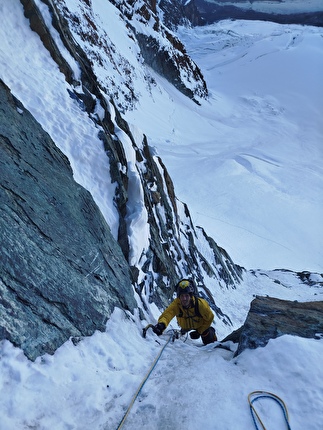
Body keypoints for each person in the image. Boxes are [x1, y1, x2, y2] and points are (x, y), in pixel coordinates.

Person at [153, 279, 217, 345]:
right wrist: (162, 324)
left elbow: (209, 318)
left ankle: (214, 346)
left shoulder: (201, 305)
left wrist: (199, 331)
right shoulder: (177, 304)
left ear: (191, 296)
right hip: (185, 327)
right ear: (179, 297)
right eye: (182, 296)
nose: (184, 299)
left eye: (186, 296)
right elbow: (168, 314)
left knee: (207, 334)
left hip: (200, 325)